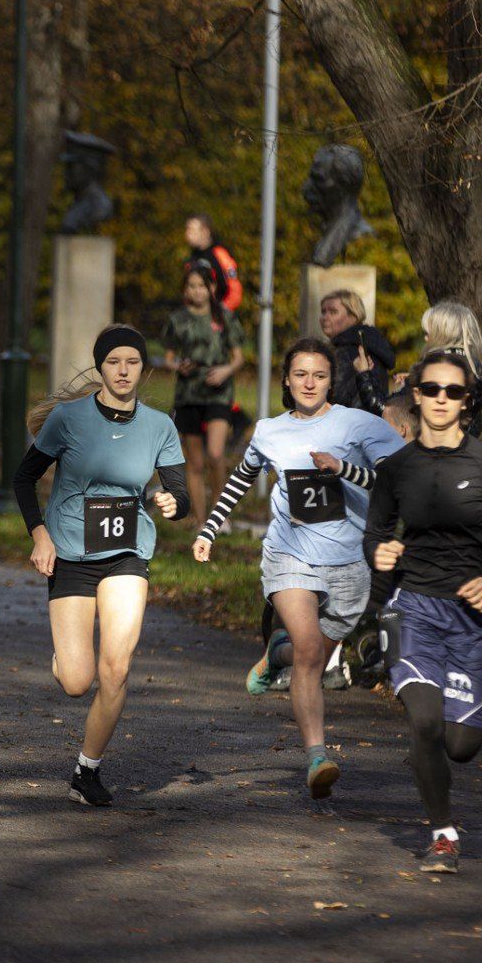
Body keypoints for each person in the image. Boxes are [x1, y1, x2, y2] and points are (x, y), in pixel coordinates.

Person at [191, 337, 405, 798]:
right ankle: (317, 757)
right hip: (290, 552)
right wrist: (208, 530)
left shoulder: (360, 425)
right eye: (301, 374)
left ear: (333, 381)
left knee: (309, 654)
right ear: (287, 380)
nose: (310, 383)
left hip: (349, 559)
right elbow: (238, 480)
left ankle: (275, 655)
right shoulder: (269, 431)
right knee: (311, 651)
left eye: (320, 375)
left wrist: (343, 470)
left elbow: (394, 480)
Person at [366, 351, 482, 873]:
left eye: (452, 392)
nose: (440, 399)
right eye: (431, 389)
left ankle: (429, 754)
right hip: (412, 608)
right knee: (425, 722)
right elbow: (375, 530)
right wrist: (379, 551)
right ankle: (442, 835)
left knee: (459, 745)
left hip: (473, 620)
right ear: (416, 394)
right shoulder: (395, 468)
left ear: (466, 401)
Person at [16, 326, 190, 807]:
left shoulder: (159, 425)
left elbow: (182, 493)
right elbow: (23, 478)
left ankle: (86, 771)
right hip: (70, 551)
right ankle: (64, 658)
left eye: (132, 361)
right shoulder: (69, 419)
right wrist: (39, 534)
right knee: (77, 681)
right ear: (100, 367)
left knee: (116, 669)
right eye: (113, 361)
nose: (123, 370)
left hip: (128, 554)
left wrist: (173, 503)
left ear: (143, 368)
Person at [161, 263, 245, 521]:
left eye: (201, 285)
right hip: (188, 394)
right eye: (191, 286)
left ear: (211, 287)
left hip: (218, 392)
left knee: (216, 453)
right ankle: (200, 521)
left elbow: (239, 357)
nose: (197, 291)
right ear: (185, 289)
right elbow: (168, 358)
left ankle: (220, 514)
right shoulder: (178, 319)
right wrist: (178, 366)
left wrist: (225, 371)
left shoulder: (224, 317)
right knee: (195, 463)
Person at [414, 301, 482, 438]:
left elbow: (399, 415)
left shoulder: (440, 368)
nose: (425, 338)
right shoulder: (473, 367)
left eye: (428, 333)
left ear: (442, 335)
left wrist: (365, 375)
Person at [319, 288, 394, 413]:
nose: (325, 317)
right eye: (323, 312)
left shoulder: (350, 350)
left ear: (353, 316)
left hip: (349, 424)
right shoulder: (369, 343)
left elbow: (335, 397)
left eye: (333, 312)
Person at [184, 214, 243, 313]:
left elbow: (234, 289)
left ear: (205, 232)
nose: (187, 234)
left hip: (218, 317)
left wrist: (223, 311)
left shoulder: (220, 254)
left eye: (192, 230)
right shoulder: (192, 258)